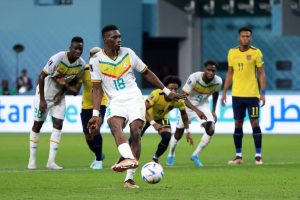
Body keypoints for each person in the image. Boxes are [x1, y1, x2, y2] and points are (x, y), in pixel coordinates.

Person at [88, 25, 183, 189]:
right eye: (115, 37)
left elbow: (147, 73)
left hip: (134, 97)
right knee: (114, 127)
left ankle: (129, 178)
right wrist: (96, 114)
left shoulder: (128, 53)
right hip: (115, 100)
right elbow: (96, 89)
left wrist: (166, 90)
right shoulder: (95, 61)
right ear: (105, 40)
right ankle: (128, 159)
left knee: (136, 132)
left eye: (120, 36)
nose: (119, 39)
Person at [27, 36, 85, 170]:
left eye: (80, 49)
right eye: (75, 48)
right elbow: (42, 76)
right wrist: (42, 99)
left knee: (58, 124)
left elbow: (73, 87)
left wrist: (60, 93)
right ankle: (32, 159)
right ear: (70, 48)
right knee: (37, 125)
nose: (78, 51)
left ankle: (51, 162)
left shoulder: (81, 65)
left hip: (58, 97)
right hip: (44, 94)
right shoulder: (58, 58)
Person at [221, 27, 266, 165]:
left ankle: (258, 155)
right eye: (243, 36)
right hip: (237, 95)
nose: (245, 38)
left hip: (252, 95)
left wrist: (263, 93)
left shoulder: (256, 52)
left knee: (254, 122)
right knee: (238, 123)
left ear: (250, 38)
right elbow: (230, 73)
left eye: (247, 36)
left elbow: (261, 73)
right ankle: (238, 156)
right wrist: (224, 91)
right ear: (238, 38)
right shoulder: (232, 53)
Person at [167, 60, 222, 167]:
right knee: (178, 134)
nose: (211, 72)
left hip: (203, 105)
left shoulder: (218, 81)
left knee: (210, 129)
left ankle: (195, 155)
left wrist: (214, 110)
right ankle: (171, 154)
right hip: (188, 105)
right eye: (209, 70)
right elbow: (183, 97)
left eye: (213, 71)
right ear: (204, 70)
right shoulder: (194, 78)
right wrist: (196, 111)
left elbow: (216, 93)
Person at [140, 75, 191, 163]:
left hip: (162, 117)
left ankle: (155, 158)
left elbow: (184, 116)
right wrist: (153, 123)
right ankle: (124, 157)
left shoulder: (179, 100)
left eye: (176, 89)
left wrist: (188, 131)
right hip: (147, 116)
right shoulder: (157, 93)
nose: (174, 91)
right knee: (136, 136)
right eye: (171, 89)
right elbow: (142, 109)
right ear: (165, 89)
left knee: (167, 137)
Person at [80, 47, 108, 170]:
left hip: (101, 103)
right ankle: (99, 154)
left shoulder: (106, 69)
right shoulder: (84, 70)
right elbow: (75, 85)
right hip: (86, 106)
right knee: (88, 136)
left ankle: (98, 160)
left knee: (95, 129)